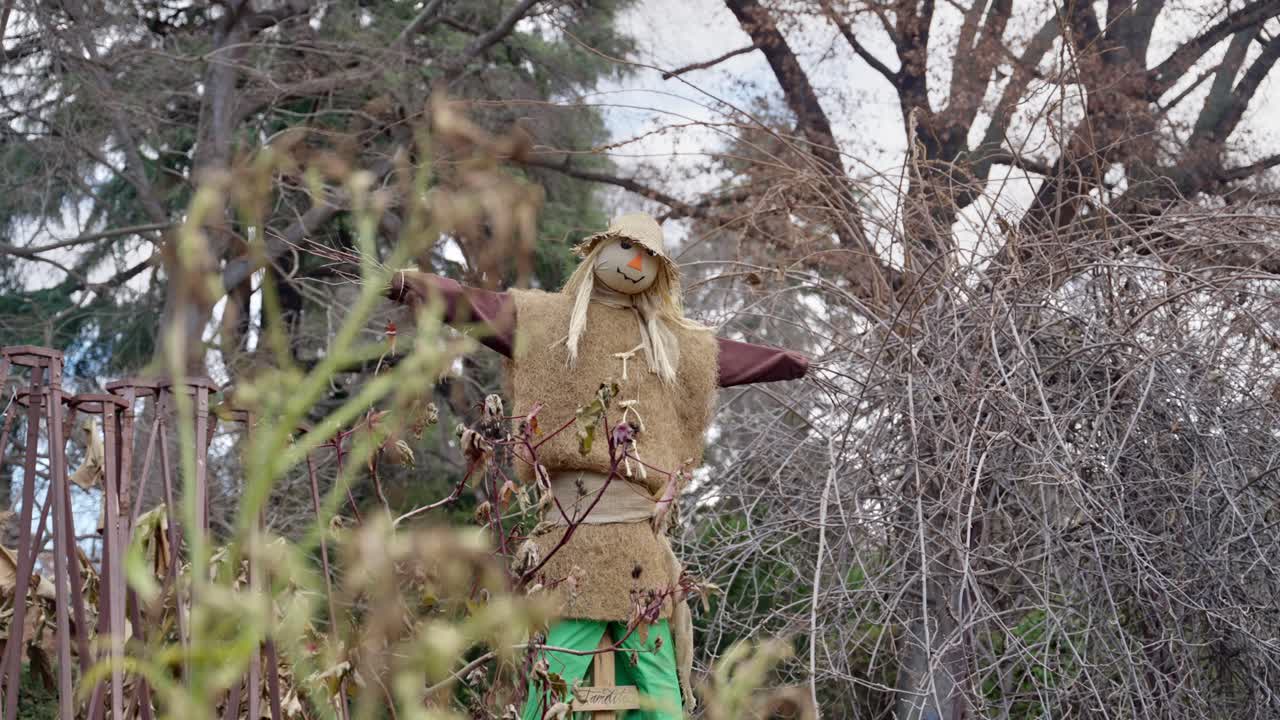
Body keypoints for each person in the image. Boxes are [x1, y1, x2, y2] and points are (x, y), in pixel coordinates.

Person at [387, 213, 808, 718]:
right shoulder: (545, 320)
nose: (634, 263)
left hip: (637, 544)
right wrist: (417, 285)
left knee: (658, 689)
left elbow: (728, 357)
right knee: (557, 674)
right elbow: (477, 303)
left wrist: (790, 360)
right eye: (625, 248)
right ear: (598, 252)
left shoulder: (673, 345)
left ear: (659, 271)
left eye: (647, 257)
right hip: (570, 539)